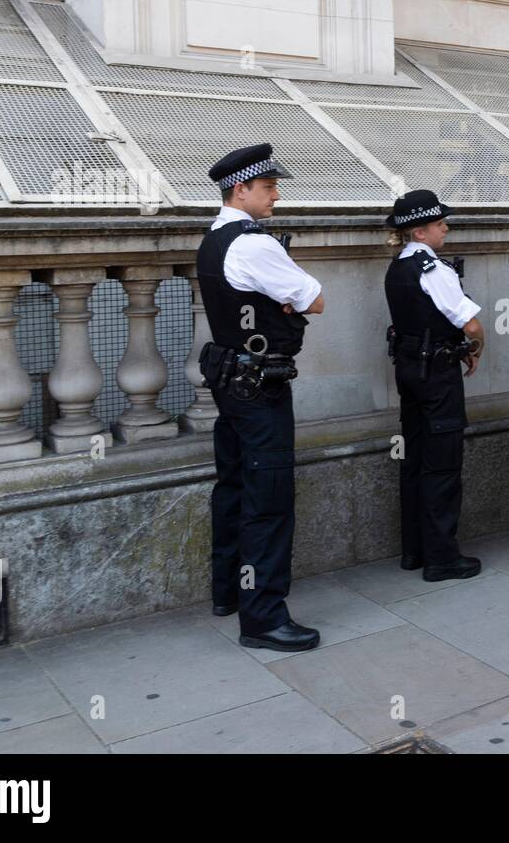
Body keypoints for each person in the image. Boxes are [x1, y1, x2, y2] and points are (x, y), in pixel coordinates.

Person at [197, 143, 324, 652]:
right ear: (241, 189)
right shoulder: (253, 243)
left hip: (231, 382)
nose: (275, 196)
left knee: (232, 488)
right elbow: (314, 298)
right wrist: (287, 303)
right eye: (268, 188)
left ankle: (229, 591)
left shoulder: (214, 238)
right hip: (260, 389)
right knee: (267, 502)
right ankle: (264, 617)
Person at [384, 189, 485, 582]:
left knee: (414, 459)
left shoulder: (397, 267)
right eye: (439, 223)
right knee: (442, 465)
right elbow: (470, 323)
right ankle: (442, 558)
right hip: (438, 376)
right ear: (420, 232)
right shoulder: (433, 270)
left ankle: (415, 551)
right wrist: (476, 347)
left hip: (409, 371)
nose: (446, 227)